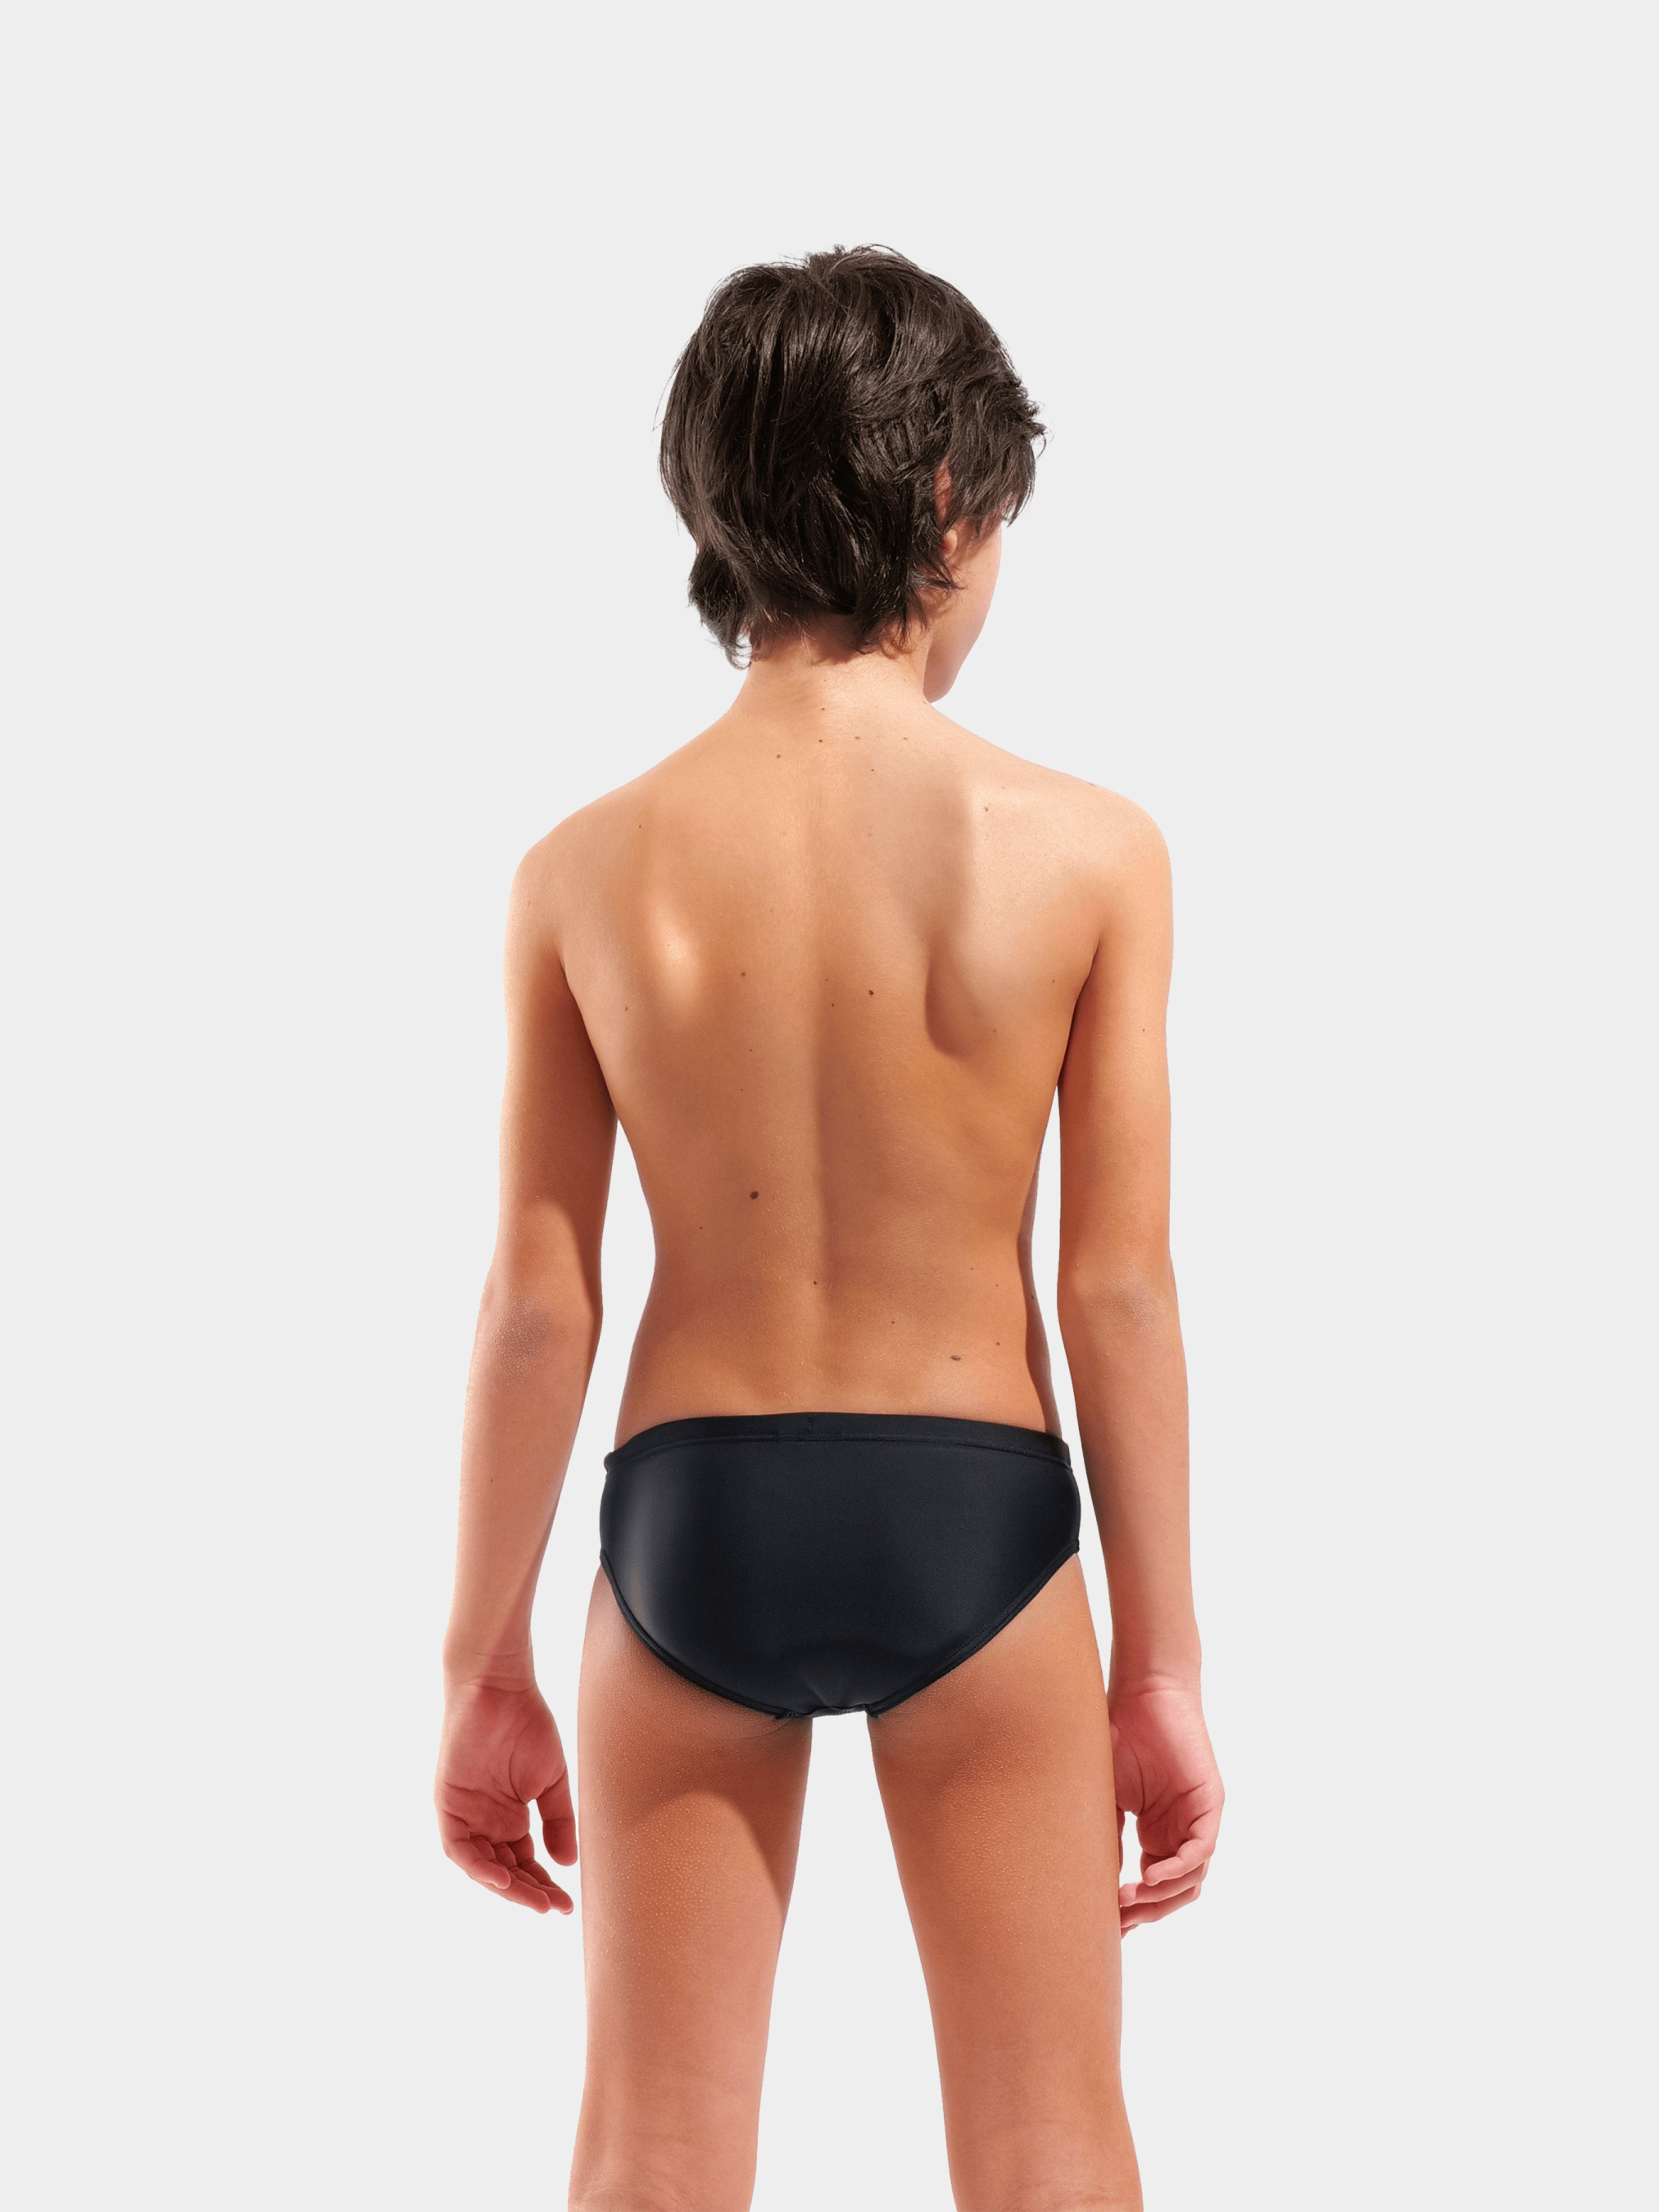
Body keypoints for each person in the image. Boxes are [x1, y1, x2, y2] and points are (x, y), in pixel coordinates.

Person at [435, 244, 1222, 2212]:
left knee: (653, 2155)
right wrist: (1158, 1667)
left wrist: (481, 1661)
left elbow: (537, 1303)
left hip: (689, 1513)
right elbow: (1114, 1288)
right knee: (1049, 2145)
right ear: (950, 504)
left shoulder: (581, 871)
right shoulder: (1089, 851)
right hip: (973, 1508)